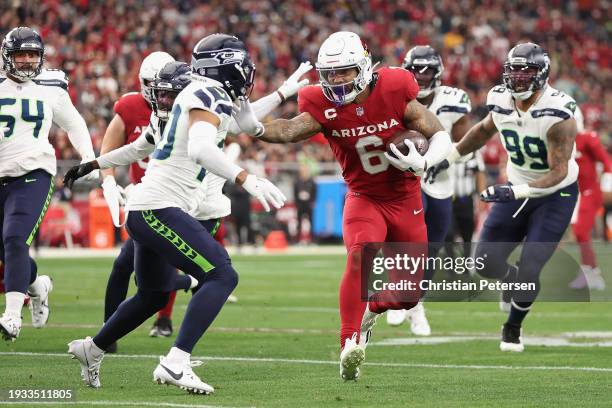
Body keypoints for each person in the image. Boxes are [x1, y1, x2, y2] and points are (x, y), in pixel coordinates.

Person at [64, 33, 286, 394]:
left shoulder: (195, 97)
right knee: (221, 276)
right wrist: (245, 177)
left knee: (153, 294)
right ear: (228, 67)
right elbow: (200, 148)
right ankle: (176, 361)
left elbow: (138, 148)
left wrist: (93, 163)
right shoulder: (209, 94)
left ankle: (92, 348)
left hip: (151, 207)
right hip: (158, 207)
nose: (247, 73)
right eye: (242, 66)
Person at [238, 31, 452, 380]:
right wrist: (254, 127)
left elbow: (438, 132)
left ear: (364, 68)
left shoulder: (395, 88)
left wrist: (424, 164)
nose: (336, 80)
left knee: (410, 295)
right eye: (330, 74)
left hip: (404, 197)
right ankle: (348, 343)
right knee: (360, 255)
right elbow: (290, 130)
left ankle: (375, 307)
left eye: (345, 72)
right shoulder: (322, 103)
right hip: (363, 196)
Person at [440, 42, 579, 352]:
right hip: (517, 187)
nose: (517, 78)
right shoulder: (500, 99)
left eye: (525, 71)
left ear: (541, 75)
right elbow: (483, 130)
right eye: (513, 71)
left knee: (532, 266)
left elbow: (558, 171)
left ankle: (512, 326)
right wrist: (448, 157)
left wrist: (512, 191)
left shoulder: (559, 112)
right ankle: (511, 279)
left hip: (556, 193)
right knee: (484, 261)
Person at [0, 27, 97, 341]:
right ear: (7, 56)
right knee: (7, 253)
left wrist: (89, 157)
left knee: (15, 239)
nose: (27, 61)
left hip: (34, 173)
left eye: (32, 54)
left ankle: (12, 316)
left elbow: (74, 123)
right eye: (21, 54)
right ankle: (36, 285)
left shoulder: (51, 85)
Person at [384, 45, 472, 335]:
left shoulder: (454, 99)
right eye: (416, 71)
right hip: (405, 179)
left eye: (427, 71)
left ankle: (416, 303)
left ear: (439, 73)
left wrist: (439, 158)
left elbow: (465, 142)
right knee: (407, 239)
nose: (421, 78)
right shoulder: (396, 96)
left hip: (441, 179)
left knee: (432, 248)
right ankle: (400, 292)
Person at [99, 51, 181, 348]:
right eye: (149, 83)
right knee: (128, 268)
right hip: (145, 201)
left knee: (156, 274)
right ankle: (108, 335)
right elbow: (109, 150)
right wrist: (109, 182)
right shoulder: (132, 106)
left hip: (178, 200)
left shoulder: (189, 106)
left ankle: (110, 335)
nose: (155, 90)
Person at [569, 106, 612, 290]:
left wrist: (606, 188)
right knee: (580, 235)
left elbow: (607, 163)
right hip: (573, 193)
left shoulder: (587, 138)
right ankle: (592, 273)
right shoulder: (562, 140)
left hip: (589, 191)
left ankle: (589, 272)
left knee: (580, 232)